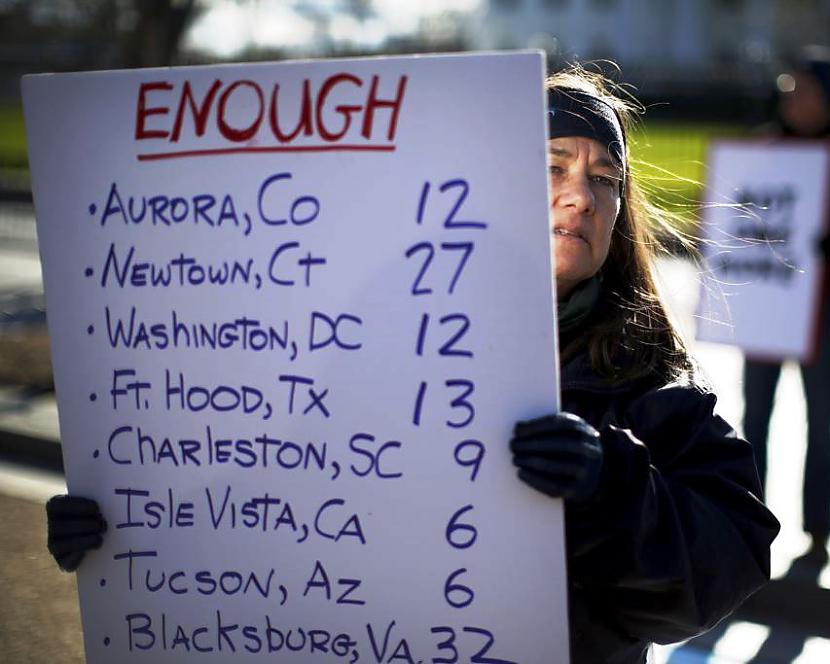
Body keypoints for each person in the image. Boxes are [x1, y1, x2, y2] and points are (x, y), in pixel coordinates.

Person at [47, 65, 780, 664]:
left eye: (605, 178)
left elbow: (727, 564)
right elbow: (261, 495)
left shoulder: (650, 379)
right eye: (552, 166)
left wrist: (610, 488)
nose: (580, 196)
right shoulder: (381, 337)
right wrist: (123, 531)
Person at [742, 45, 830, 565]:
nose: (796, 100)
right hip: (768, 309)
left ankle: (818, 527)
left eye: (808, 91)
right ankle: (747, 519)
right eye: (790, 90)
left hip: (824, 318)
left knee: (824, 424)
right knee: (756, 418)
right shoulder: (760, 152)